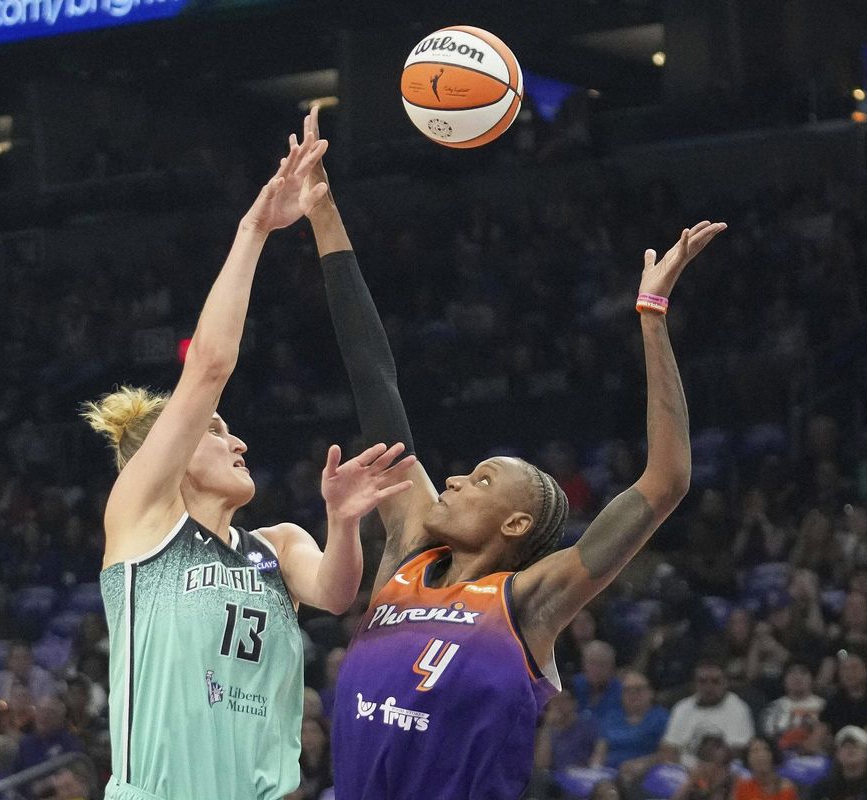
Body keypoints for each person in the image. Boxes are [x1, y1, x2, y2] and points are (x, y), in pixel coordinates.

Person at [303, 106, 723, 800]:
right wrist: (322, 213)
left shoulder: (526, 602)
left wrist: (651, 315)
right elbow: (372, 372)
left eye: (483, 479)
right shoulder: (407, 551)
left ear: (517, 525)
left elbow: (666, 481)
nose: (458, 478)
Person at [81, 128, 414, 800]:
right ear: (164, 457)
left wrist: (343, 522)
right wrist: (255, 227)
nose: (238, 444)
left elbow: (335, 594)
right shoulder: (142, 523)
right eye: (216, 431)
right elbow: (208, 366)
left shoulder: (278, 545)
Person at [659, 661, 755, 768]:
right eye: (702, 681)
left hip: (724, 769)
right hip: (683, 770)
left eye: (715, 681)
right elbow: (669, 746)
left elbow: (738, 749)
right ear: (694, 684)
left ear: (725, 683)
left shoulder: (738, 707)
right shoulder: (682, 707)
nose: (709, 687)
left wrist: (705, 770)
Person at [733, 737, 798, 800]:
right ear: (748, 759)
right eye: (755, 751)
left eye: (766, 749)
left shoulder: (787, 788)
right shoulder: (743, 787)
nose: (761, 754)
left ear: (773, 755)